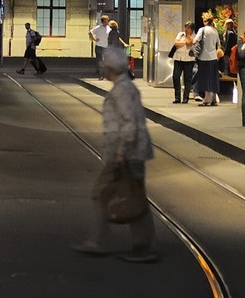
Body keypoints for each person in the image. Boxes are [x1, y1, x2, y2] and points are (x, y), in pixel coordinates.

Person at [72, 47, 157, 263]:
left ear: (110, 68)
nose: (103, 68)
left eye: (104, 65)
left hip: (127, 154)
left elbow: (129, 123)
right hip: (128, 152)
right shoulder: (124, 87)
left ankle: (131, 247)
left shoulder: (122, 90)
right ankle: (132, 245)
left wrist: (121, 153)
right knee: (131, 196)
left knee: (110, 195)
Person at [192, 13, 221, 106]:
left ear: (205, 21)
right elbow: (218, 43)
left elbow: (195, 41)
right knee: (213, 78)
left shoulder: (202, 30)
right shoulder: (215, 31)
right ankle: (214, 99)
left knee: (205, 79)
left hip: (204, 57)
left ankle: (207, 99)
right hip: (213, 57)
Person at [169, 22, 196, 105]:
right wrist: (184, 42)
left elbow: (189, 43)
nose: (186, 29)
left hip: (189, 60)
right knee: (175, 76)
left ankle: (185, 97)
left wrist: (186, 38)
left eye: (188, 28)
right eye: (185, 27)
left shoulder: (194, 36)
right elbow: (176, 43)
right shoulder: (180, 34)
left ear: (192, 29)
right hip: (178, 59)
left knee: (187, 79)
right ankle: (177, 97)